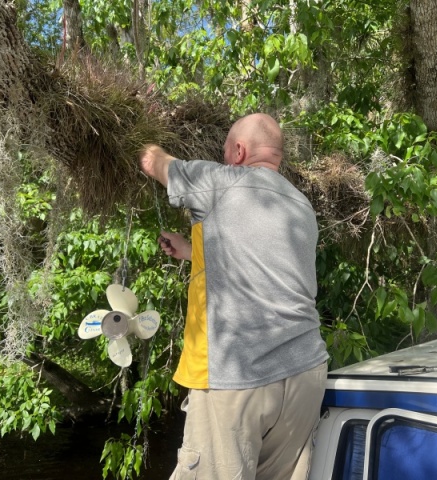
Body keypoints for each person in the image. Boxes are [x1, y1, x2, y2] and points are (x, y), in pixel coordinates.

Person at [140, 113, 328, 480]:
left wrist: (139, 133)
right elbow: (261, 264)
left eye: (225, 151)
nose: (223, 158)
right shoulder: (300, 205)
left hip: (240, 376)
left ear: (239, 151)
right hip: (305, 374)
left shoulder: (221, 181)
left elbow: (152, 161)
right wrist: (189, 250)